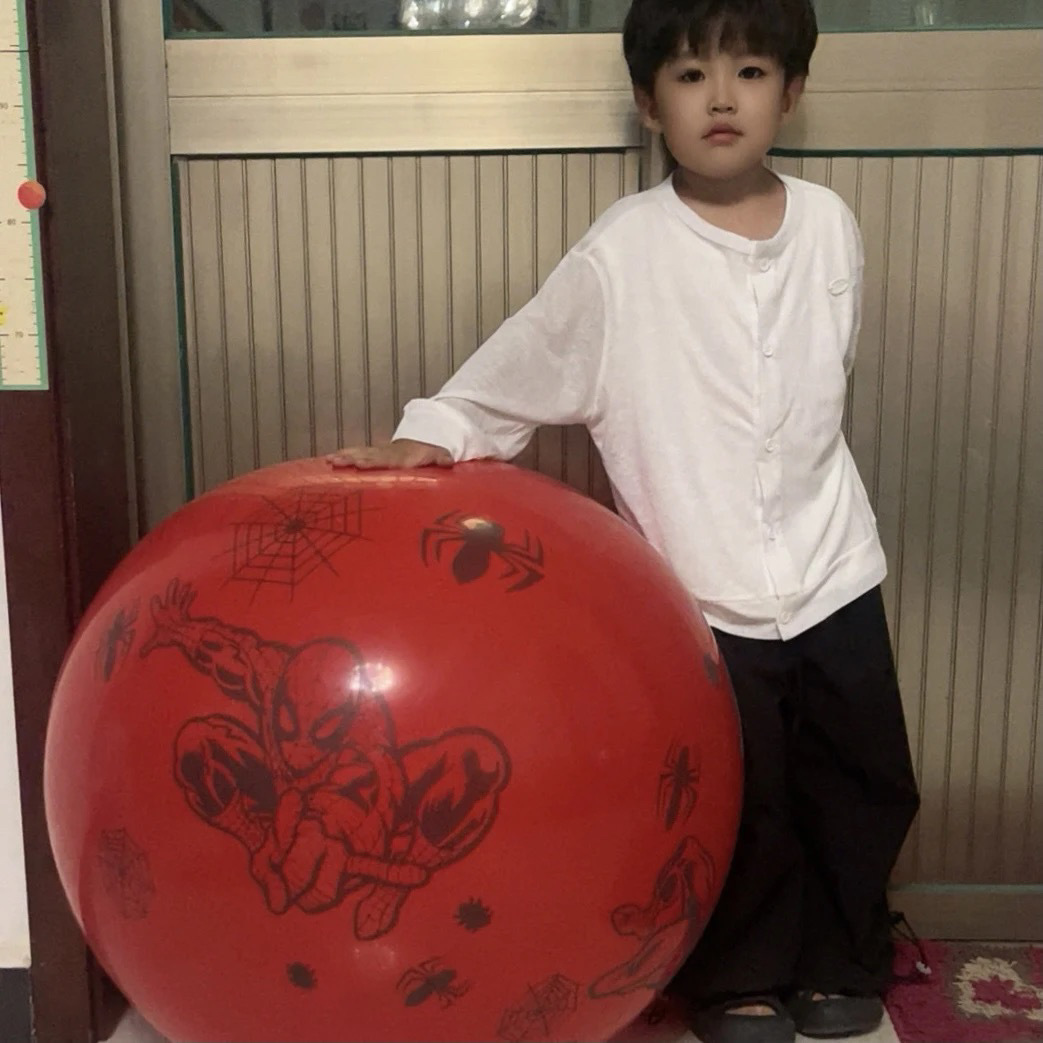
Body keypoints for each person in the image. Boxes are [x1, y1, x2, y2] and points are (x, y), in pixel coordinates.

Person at [329, 2, 921, 1040]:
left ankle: (840, 956)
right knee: (741, 793)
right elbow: (523, 359)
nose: (721, 97)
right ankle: (738, 976)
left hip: (833, 563)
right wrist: (437, 429)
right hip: (699, 583)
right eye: (690, 77)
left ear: (791, 92)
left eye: (749, 71)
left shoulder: (830, 224)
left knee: (862, 775)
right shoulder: (623, 251)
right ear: (650, 106)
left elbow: (826, 371)